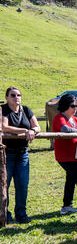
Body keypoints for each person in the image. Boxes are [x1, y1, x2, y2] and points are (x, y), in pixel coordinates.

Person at [2, 86, 40, 223]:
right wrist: (25, 130)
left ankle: (21, 214)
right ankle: (5, 214)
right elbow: (4, 127)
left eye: (18, 95)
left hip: (23, 154)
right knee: (4, 185)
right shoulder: (4, 110)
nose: (16, 97)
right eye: (12, 95)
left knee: (22, 185)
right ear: (6, 97)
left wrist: (32, 131)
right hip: (7, 154)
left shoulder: (26, 110)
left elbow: (37, 126)